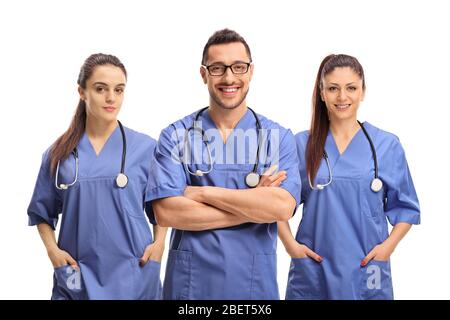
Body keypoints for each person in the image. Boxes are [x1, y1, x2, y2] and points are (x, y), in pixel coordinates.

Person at [146, 29, 301, 299]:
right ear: (204, 74)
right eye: (218, 68)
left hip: (252, 291)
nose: (229, 78)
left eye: (238, 67)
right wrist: (255, 205)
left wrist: (201, 192)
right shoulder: (176, 135)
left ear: (250, 72)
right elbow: (167, 213)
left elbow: (283, 207)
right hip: (191, 291)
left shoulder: (276, 138)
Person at [279, 54, 420, 300]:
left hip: (369, 269)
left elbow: (406, 208)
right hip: (313, 270)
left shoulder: (386, 145)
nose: (342, 97)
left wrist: (388, 248)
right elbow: (274, 205)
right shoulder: (301, 145)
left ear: (363, 91)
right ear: (322, 93)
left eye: (351, 88)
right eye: (333, 88)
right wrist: (290, 245)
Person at [27, 53, 167, 299]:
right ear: (82, 91)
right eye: (100, 88)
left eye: (119, 89)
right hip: (75, 274)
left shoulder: (146, 149)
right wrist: (53, 252)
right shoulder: (59, 153)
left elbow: (163, 207)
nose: (111, 97)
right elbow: (41, 212)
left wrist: (159, 245)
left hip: (134, 271)